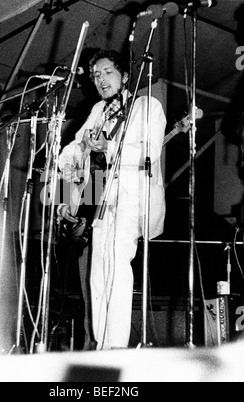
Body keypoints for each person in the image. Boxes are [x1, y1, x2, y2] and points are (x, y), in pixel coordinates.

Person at [58, 49, 167, 350]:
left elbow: (149, 154)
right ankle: (101, 347)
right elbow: (71, 153)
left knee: (117, 271)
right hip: (100, 201)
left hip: (131, 200)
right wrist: (68, 196)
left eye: (107, 73)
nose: (101, 80)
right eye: (95, 76)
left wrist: (108, 147)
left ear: (125, 76)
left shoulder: (147, 106)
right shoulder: (98, 112)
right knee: (97, 278)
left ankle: (116, 349)